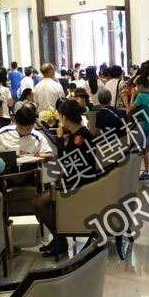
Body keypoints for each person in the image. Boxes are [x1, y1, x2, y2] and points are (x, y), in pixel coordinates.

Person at [33, 99, 99, 257]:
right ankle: (58, 238)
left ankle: (60, 240)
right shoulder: (79, 134)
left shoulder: (79, 138)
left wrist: (60, 141)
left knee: (38, 203)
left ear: (65, 117)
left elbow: (66, 164)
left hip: (78, 185)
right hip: (79, 181)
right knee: (42, 199)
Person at [131, 76, 149, 180]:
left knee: (144, 149)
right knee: (146, 148)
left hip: (142, 125)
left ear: (140, 86)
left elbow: (130, 108)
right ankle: (147, 171)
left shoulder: (140, 96)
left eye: (137, 86)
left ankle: (147, 172)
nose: (136, 88)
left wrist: (133, 95)